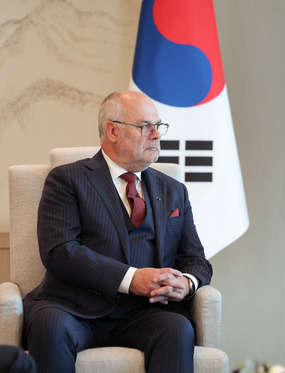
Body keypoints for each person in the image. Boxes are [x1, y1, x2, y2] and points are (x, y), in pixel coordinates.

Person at [23, 91, 213, 373]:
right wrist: (131, 278)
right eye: (145, 127)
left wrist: (185, 284)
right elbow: (60, 251)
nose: (156, 135)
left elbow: (196, 261)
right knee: (49, 326)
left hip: (144, 311)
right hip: (72, 308)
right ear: (112, 130)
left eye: (158, 127)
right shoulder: (67, 179)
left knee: (177, 327)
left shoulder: (173, 191)